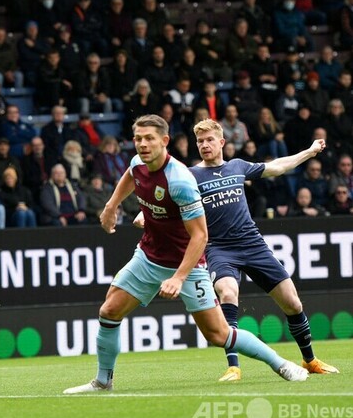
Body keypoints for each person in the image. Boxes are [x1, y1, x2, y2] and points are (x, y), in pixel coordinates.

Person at [63, 114, 308, 395]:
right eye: (138, 138)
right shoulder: (137, 162)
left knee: (219, 335)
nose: (142, 144)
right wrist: (111, 206)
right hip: (148, 256)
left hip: (188, 265)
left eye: (149, 139)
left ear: (164, 141)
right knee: (109, 310)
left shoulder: (180, 180)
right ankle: (103, 381)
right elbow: (130, 176)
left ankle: (281, 364)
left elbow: (200, 236)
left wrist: (179, 278)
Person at [187, 119, 338, 381]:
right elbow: (168, 199)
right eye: (200, 141)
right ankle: (233, 366)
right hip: (219, 248)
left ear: (222, 142)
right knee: (227, 291)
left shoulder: (238, 166)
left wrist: (310, 151)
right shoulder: (190, 176)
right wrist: (147, 217)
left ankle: (310, 359)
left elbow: (278, 167)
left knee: (292, 302)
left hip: (253, 244)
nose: (204, 145)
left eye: (209, 140)